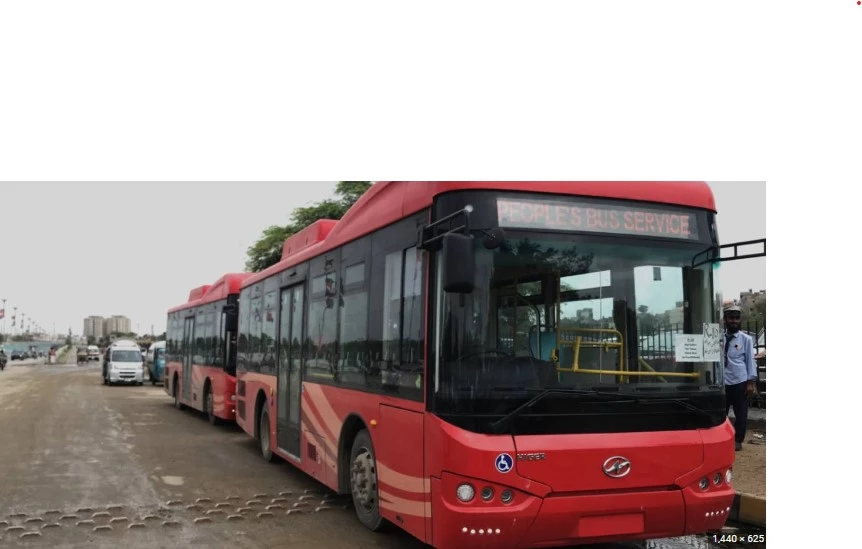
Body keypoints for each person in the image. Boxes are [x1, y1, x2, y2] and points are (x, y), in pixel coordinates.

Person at [722, 304, 757, 451]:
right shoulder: (718, 338)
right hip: (722, 382)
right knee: (720, 413)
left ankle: (738, 440)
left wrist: (750, 382)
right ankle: (721, 438)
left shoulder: (746, 339)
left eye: (737, 318)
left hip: (740, 381)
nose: (734, 321)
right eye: (731, 318)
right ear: (725, 319)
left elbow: (750, 360)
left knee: (741, 413)